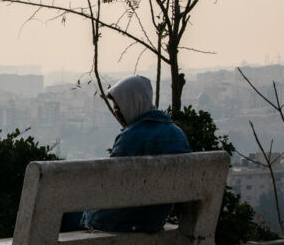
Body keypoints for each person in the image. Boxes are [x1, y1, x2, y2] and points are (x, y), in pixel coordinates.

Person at [62, 74, 192, 234]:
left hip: (125, 220)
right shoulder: (177, 134)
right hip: (155, 218)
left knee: (63, 210)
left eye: (119, 110)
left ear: (133, 103)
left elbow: (110, 183)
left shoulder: (132, 136)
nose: (118, 115)